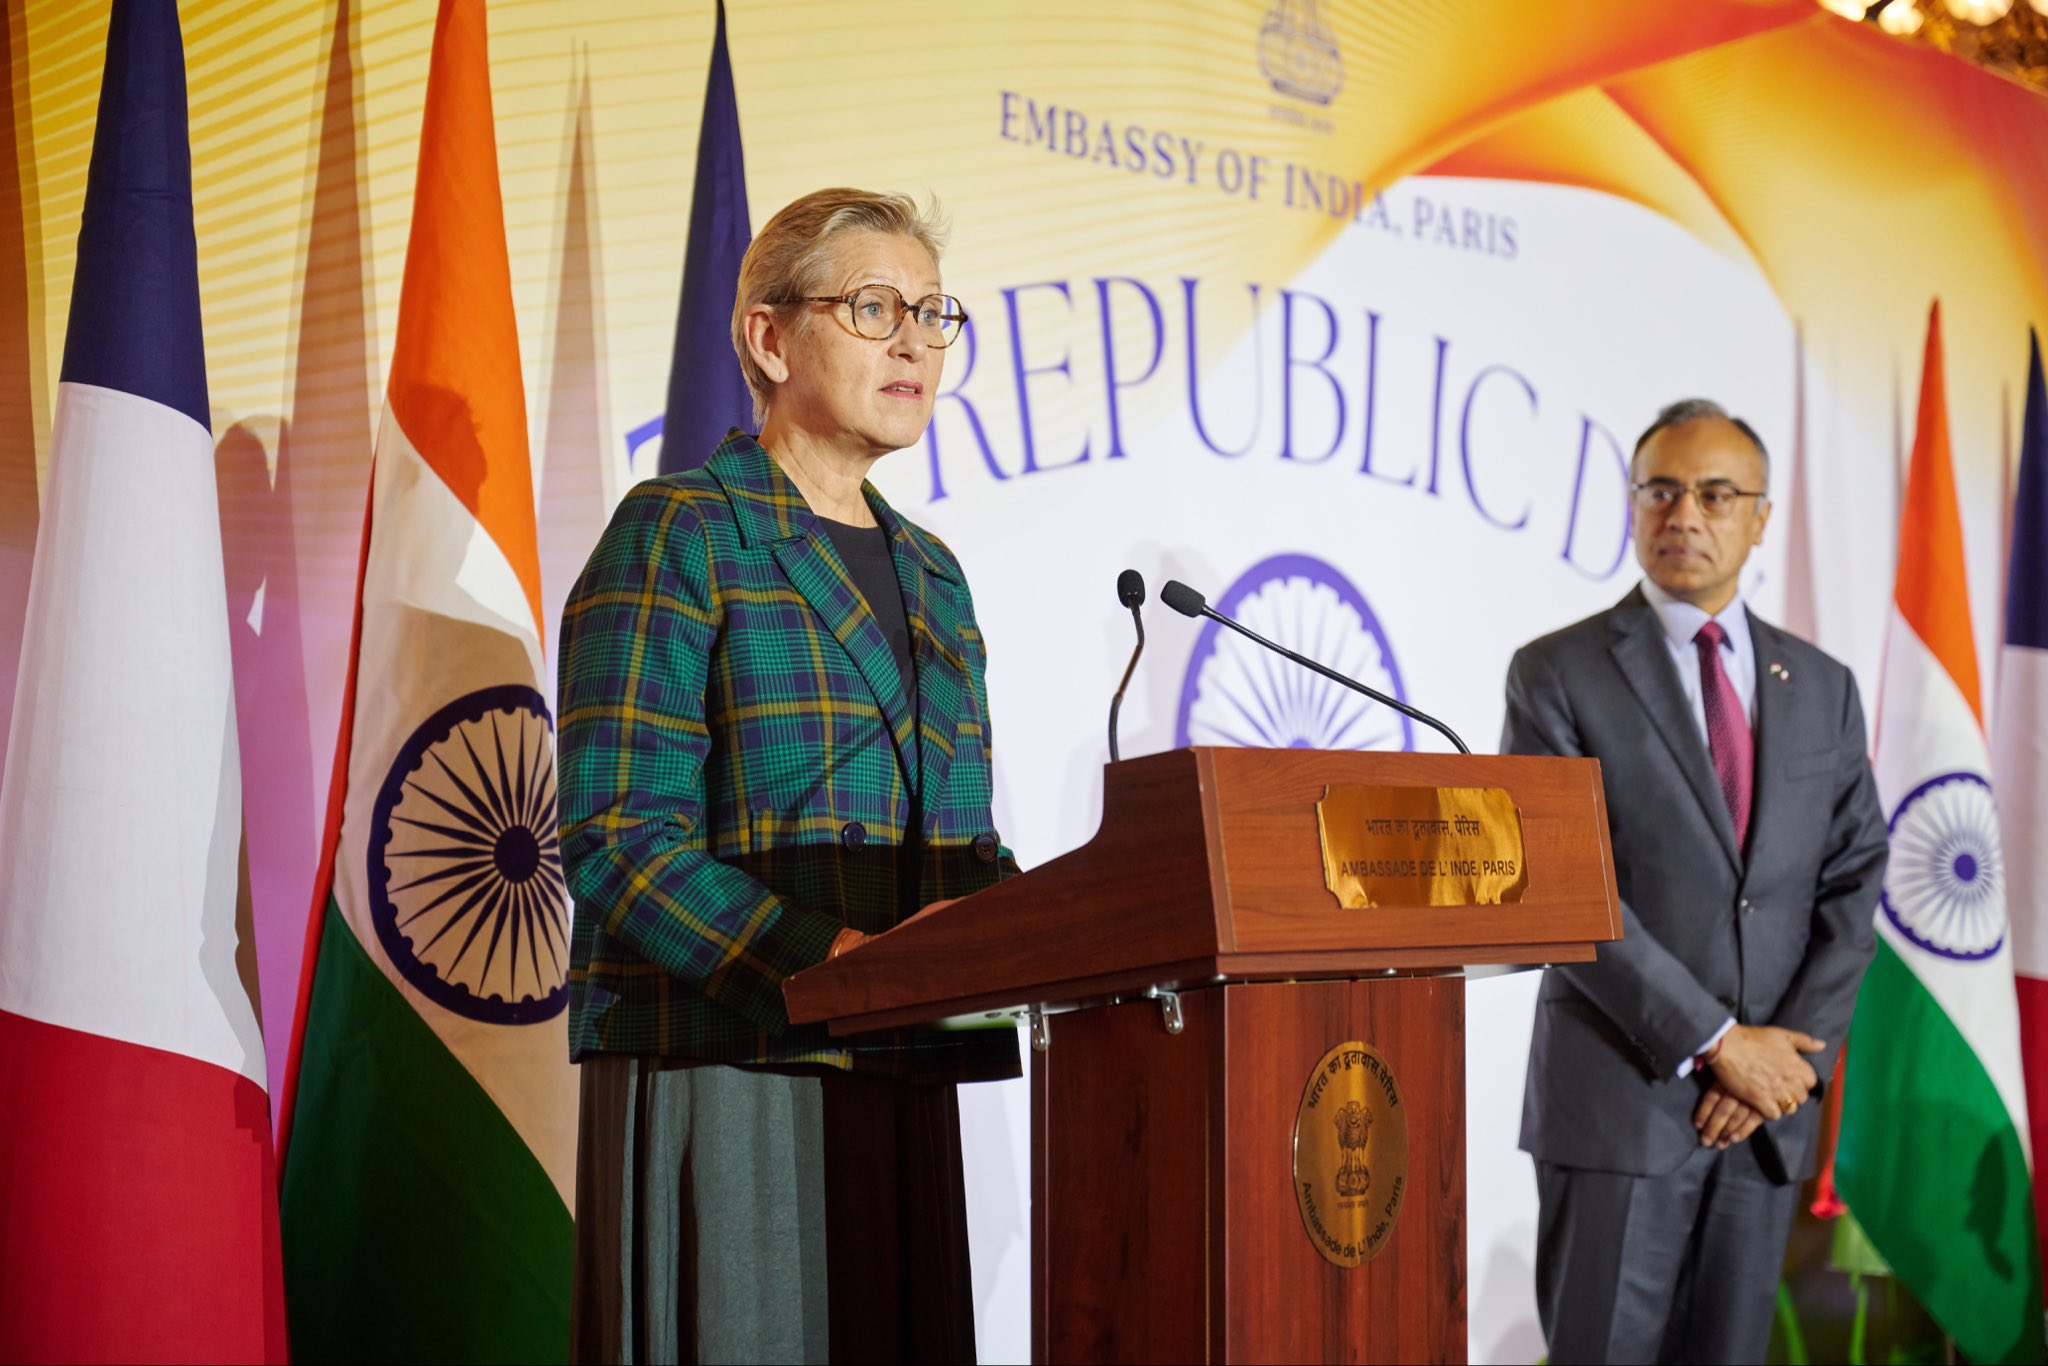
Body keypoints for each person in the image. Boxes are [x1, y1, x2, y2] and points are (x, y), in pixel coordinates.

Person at [556, 188, 1016, 1365]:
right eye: (874, 307)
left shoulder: (934, 572)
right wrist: (823, 961)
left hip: (902, 1065)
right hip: (735, 1061)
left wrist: (1052, 928)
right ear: (769, 338)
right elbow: (618, 838)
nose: (915, 341)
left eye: (931, 312)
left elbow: (962, 837)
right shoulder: (680, 531)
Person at [1501, 398, 1888, 1363]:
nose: (1686, 515)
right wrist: (1718, 1043)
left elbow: (1852, 884)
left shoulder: (1823, 685)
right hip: (1621, 1107)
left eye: (1716, 494)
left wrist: (1786, 1065)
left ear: (1759, 517)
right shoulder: (1558, 674)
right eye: (1661, 491)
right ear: (1633, 509)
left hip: (1760, 1122)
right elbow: (1561, 886)